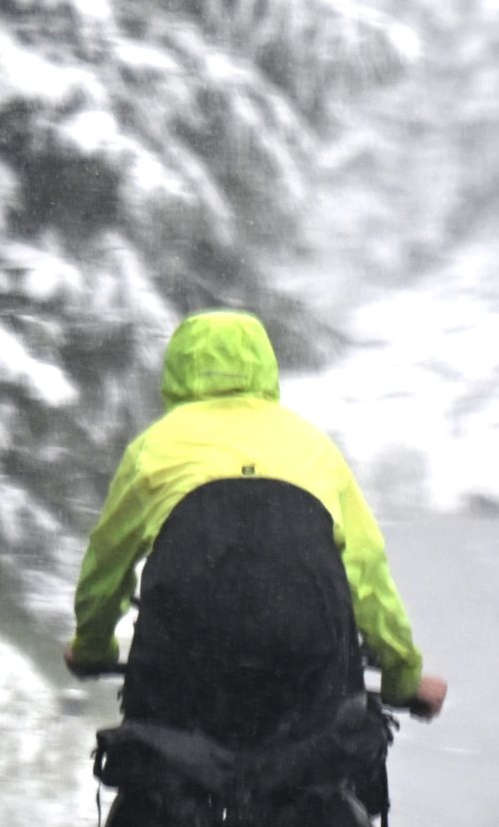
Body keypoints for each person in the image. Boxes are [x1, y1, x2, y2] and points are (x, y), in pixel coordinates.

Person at [66, 310, 447, 742]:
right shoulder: (314, 447)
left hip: (183, 666)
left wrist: (92, 648)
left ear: (176, 370)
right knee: (329, 776)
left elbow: (107, 561)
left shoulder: (154, 447)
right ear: (265, 367)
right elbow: (367, 575)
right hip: (309, 669)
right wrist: (402, 674)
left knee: (153, 776)